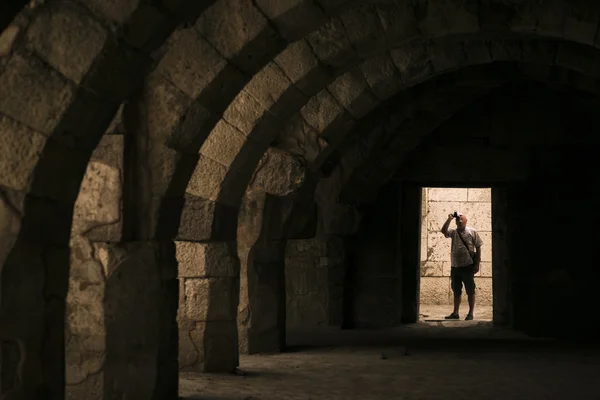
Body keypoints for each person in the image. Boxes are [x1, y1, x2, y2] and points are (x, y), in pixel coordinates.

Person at [440, 212, 483, 321]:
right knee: (456, 290)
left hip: (467, 266)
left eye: (461, 218)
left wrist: (477, 263)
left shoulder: (472, 232)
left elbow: (478, 247)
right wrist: (449, 219)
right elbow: (443, 231)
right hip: (455, 266)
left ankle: (470, 313)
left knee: (470, 290)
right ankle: (455, 312)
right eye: (457, 219)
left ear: (465, 221)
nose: (459, 220)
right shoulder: (453, 232)